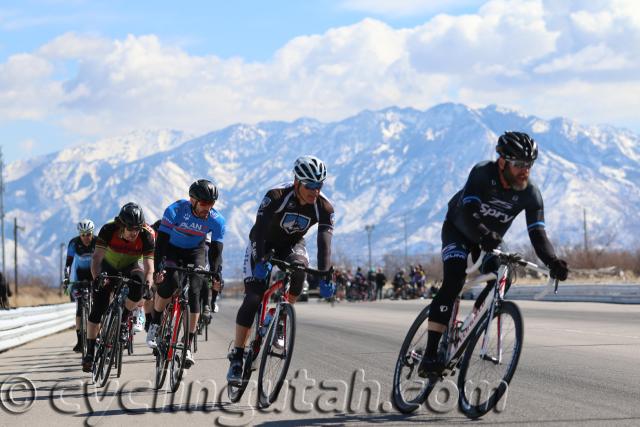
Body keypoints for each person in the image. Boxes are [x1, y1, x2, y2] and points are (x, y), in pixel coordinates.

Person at [418, 131, 569, 377]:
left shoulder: (531, 194)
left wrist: (553, 261)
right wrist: (482, 233)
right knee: (455, 280)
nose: (525, 171)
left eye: (529, 165)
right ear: (502, 162)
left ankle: (474, 325)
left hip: (489, 241)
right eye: (519, 164)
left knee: (504, 277)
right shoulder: (482, 172)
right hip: (459, 230)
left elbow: (538, 234)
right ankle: (430, 354)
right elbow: (468, 211)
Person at [227, 155, 335, 385]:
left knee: (299, 273)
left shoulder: (324, 207)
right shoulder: (275, 196)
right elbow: (258, 232)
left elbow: (324, 243)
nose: (315, 191)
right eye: (310, 185)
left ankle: (282, 318)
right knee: (254, 297)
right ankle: (237, 355)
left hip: (291, 245)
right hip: (263, 243)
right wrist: (259, 260)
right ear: (296, 182)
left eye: (319, 185)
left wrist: (325, 274)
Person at [146, 179, 225, 369]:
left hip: (195, 251)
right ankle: (155, 323)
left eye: (212, 204)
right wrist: (159, 269)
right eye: (204, 203)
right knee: (170, 284)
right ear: (193, 200)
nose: (208, 208)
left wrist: (216, 273)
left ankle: (187, 344)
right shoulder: (175, 210)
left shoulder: (217, 220)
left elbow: (215, 251)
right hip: (171, 249)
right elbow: (162, 242)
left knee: (196, 289)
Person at [81, 203, 155, 372]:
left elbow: (149, 266)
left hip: (131, 266)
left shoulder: (146, 236)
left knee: (139, 283)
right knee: (97, 309)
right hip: (108, 266)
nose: (134, 233)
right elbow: (97, 259)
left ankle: (123, 321)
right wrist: (97, 278)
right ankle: (90, 352)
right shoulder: (108, 230)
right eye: (130, 229)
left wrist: (149, 285)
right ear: (121, 225)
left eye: (137, 229)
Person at [64, 219, 97, 352]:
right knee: (79, 308)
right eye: (83, 234)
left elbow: (104, 260)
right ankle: (79, 341)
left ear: (92, 233)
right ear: (79, 234)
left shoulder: (98, 242)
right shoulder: (74, 243)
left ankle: (98, 333)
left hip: (94, 274)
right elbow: (68, 263)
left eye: (88, 234)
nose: (86, 237)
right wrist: (66, 278)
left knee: (98, 305)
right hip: (80, 275)